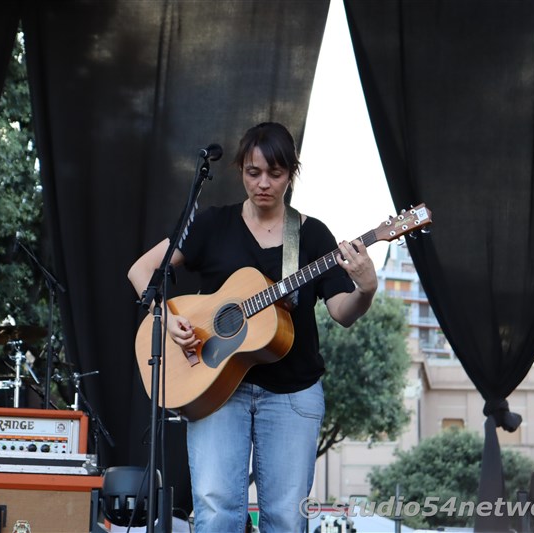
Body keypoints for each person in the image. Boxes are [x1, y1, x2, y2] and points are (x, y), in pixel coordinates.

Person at [128, 122, 378, 533]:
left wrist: (365, 289)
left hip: (293, 393)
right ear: (241, 169)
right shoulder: (212, 224)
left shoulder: (312, 235)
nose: (263, 183)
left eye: (275, 174)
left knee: (284, 517)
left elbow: (341, 312)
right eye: (253, 172)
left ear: (291, 173)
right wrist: (166, 317)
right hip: (214, 385)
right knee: (216, 512)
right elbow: (141, 270)